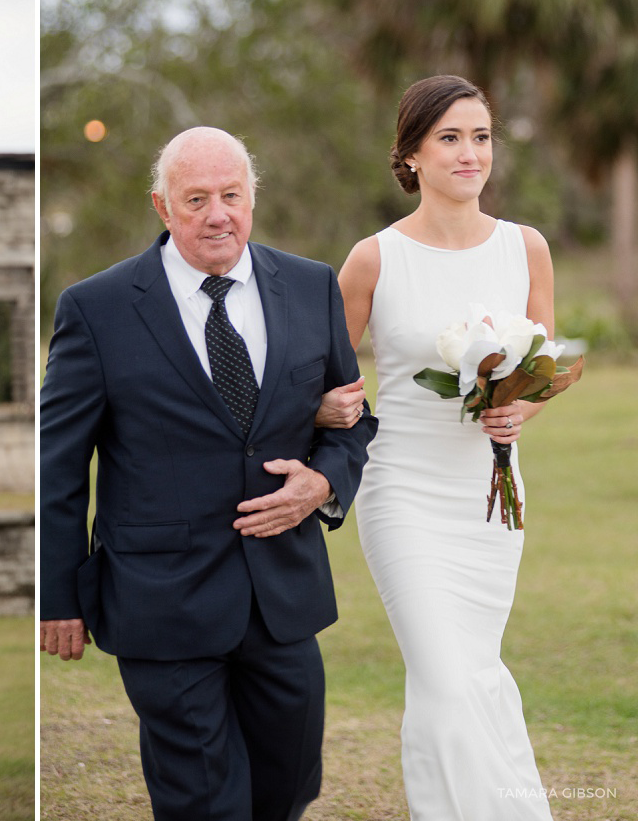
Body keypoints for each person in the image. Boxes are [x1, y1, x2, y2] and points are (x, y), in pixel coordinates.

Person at [40, 126, 377, 820]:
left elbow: (352, 418)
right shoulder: (96, 308)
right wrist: (57, 593)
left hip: (282, 595)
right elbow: (59, 465)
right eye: (196, 199)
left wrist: (322, 483)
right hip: (161, 597)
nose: (217, 213)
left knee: (288, 783)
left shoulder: (311, 287)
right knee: (203, 799)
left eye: (231, 194)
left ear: (253, 196)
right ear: (163, 207)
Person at [334, 74, 554, 818]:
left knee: (468, 673)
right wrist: (333, 406)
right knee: (445, 674)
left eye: (481, 136)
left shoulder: (527, 248)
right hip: (403, 495)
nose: (470, 153)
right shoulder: (374, 258)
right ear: (411, 157)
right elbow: (319, 369)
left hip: (492, 501)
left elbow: (539, 371)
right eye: (450, 138)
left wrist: (518, 409)